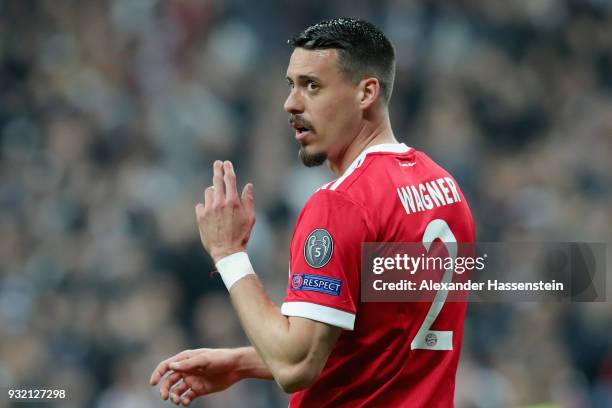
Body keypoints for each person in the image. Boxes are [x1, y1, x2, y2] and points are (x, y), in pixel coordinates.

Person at [150, 18, 475, 407]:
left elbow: (295, 365)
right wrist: (241, 363)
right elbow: (379, 342)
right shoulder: (444, 189)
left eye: (312, 86)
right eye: (292, 85)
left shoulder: (341, 205)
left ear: (366, 92)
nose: (291, 103)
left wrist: (229, 254)